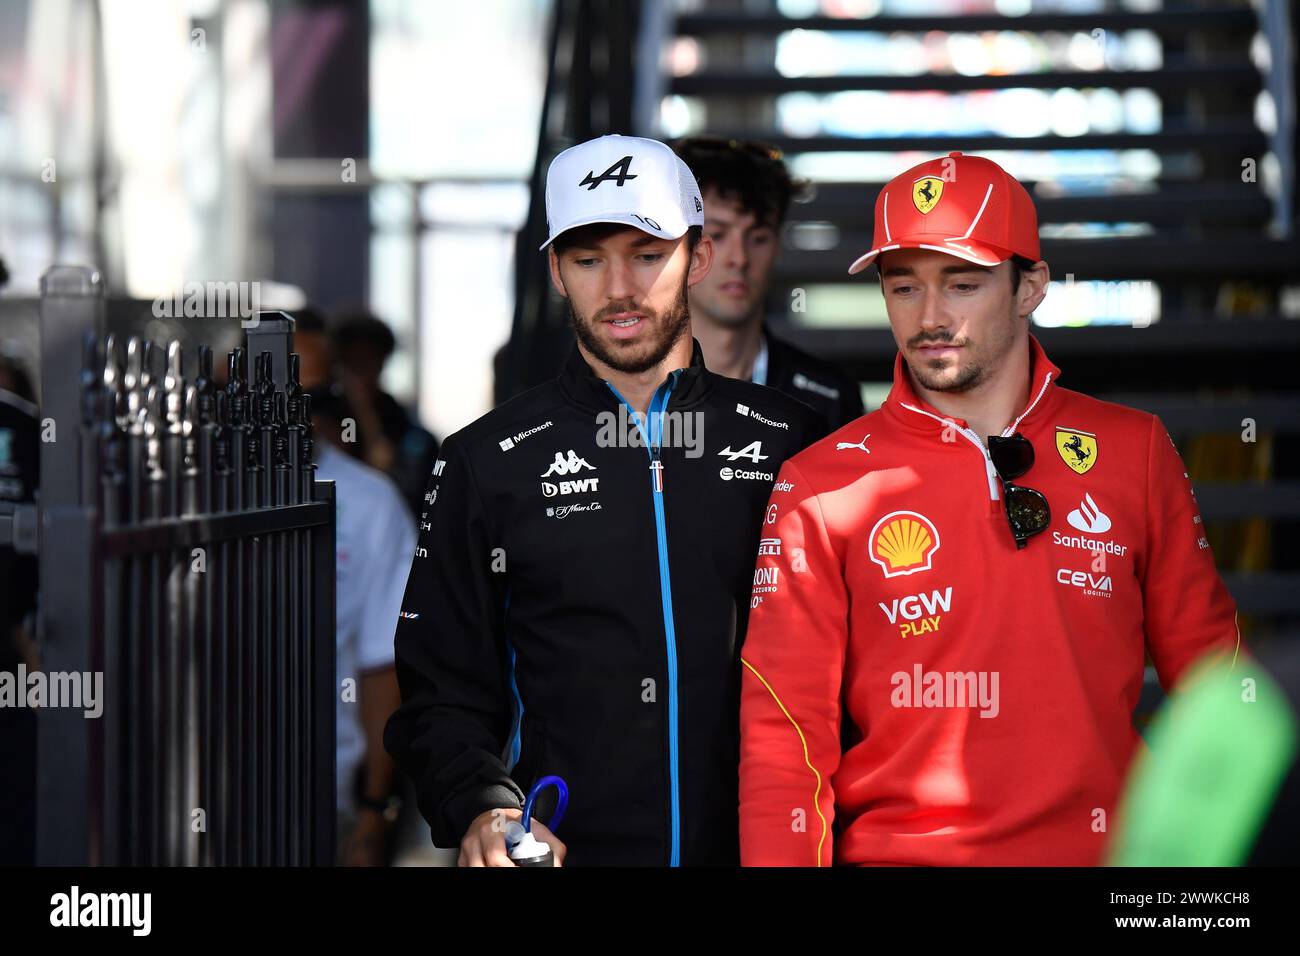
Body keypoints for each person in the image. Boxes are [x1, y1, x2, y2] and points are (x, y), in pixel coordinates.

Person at [736, 151, 1241, 866]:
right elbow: (783, 739)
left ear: (1030, 286)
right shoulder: (817, 484)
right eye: (903, 287)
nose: (930, 317)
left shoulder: (1135, 450)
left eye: (963, 284)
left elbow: (1218, 693)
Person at [385, 134, 823, 866]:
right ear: (556, 271)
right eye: (589, 259)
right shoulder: (485, 461)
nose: (619, 288)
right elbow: (440, 696)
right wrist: (485, 807)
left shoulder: (794, 442)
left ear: (699, 257)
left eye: (647, 255)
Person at [673, 136, 865, 431]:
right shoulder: (634, 388)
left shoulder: (830, 396)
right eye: (718, 235)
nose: (739, 258)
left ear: (777, 246)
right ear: (680, 244)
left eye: (758, 237)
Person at [306, 379, 416, 866]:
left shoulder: (371, 501)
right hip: (190, 788)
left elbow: (382, 667)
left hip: (325, 792)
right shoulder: (187, 484)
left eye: (315, 396)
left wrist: (374, 810)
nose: (300, 409)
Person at [330, 309, 441, 522]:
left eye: (366, 363)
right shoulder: (327, 420)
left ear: (381, 363)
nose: (358, 375)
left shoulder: (409, 434)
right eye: (351, 363)